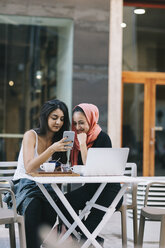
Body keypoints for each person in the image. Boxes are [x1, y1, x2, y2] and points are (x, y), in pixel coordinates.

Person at [56, 103, 123, 245]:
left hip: (109, 191)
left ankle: (83, 237)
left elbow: (90, 167)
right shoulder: (77, 141)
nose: (78, 127)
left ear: (91, 120)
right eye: (75, 123)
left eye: (81, 123)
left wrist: (83, 145)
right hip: (91, 189)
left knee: (88, 231)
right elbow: (78, 168)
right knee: (63, 202)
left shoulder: (103, 138)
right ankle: (83, 236)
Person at [11, 99, 72, 248]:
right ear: (45, 117)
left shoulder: (59, 140)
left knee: (52, 208)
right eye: (54, 117)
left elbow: (57, 172)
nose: (58, 122)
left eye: (62, 119)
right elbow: (29, 168)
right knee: (34, 207)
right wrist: (52, 149)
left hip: (46, 187)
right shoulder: (30, 135)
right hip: (25, 185)